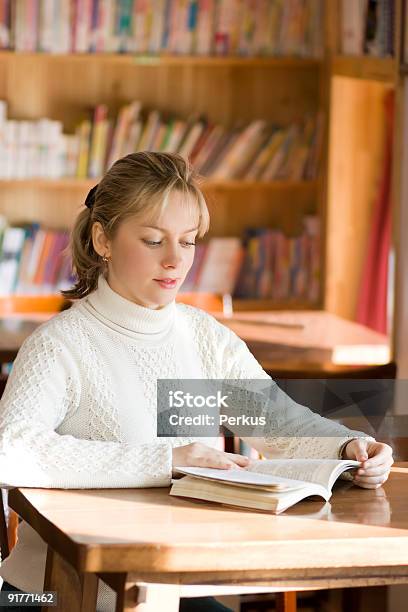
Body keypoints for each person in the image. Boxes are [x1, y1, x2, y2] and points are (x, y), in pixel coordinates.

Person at [0, 152, 393, 612]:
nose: (174, 260)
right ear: (102, 238)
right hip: (56, 592)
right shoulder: (61, 344)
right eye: (152, 240)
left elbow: (281, 425)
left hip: (171, 587)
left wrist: (350, 447)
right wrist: (167, 459)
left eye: (187, 242)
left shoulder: (204, 338)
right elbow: (10, 450)